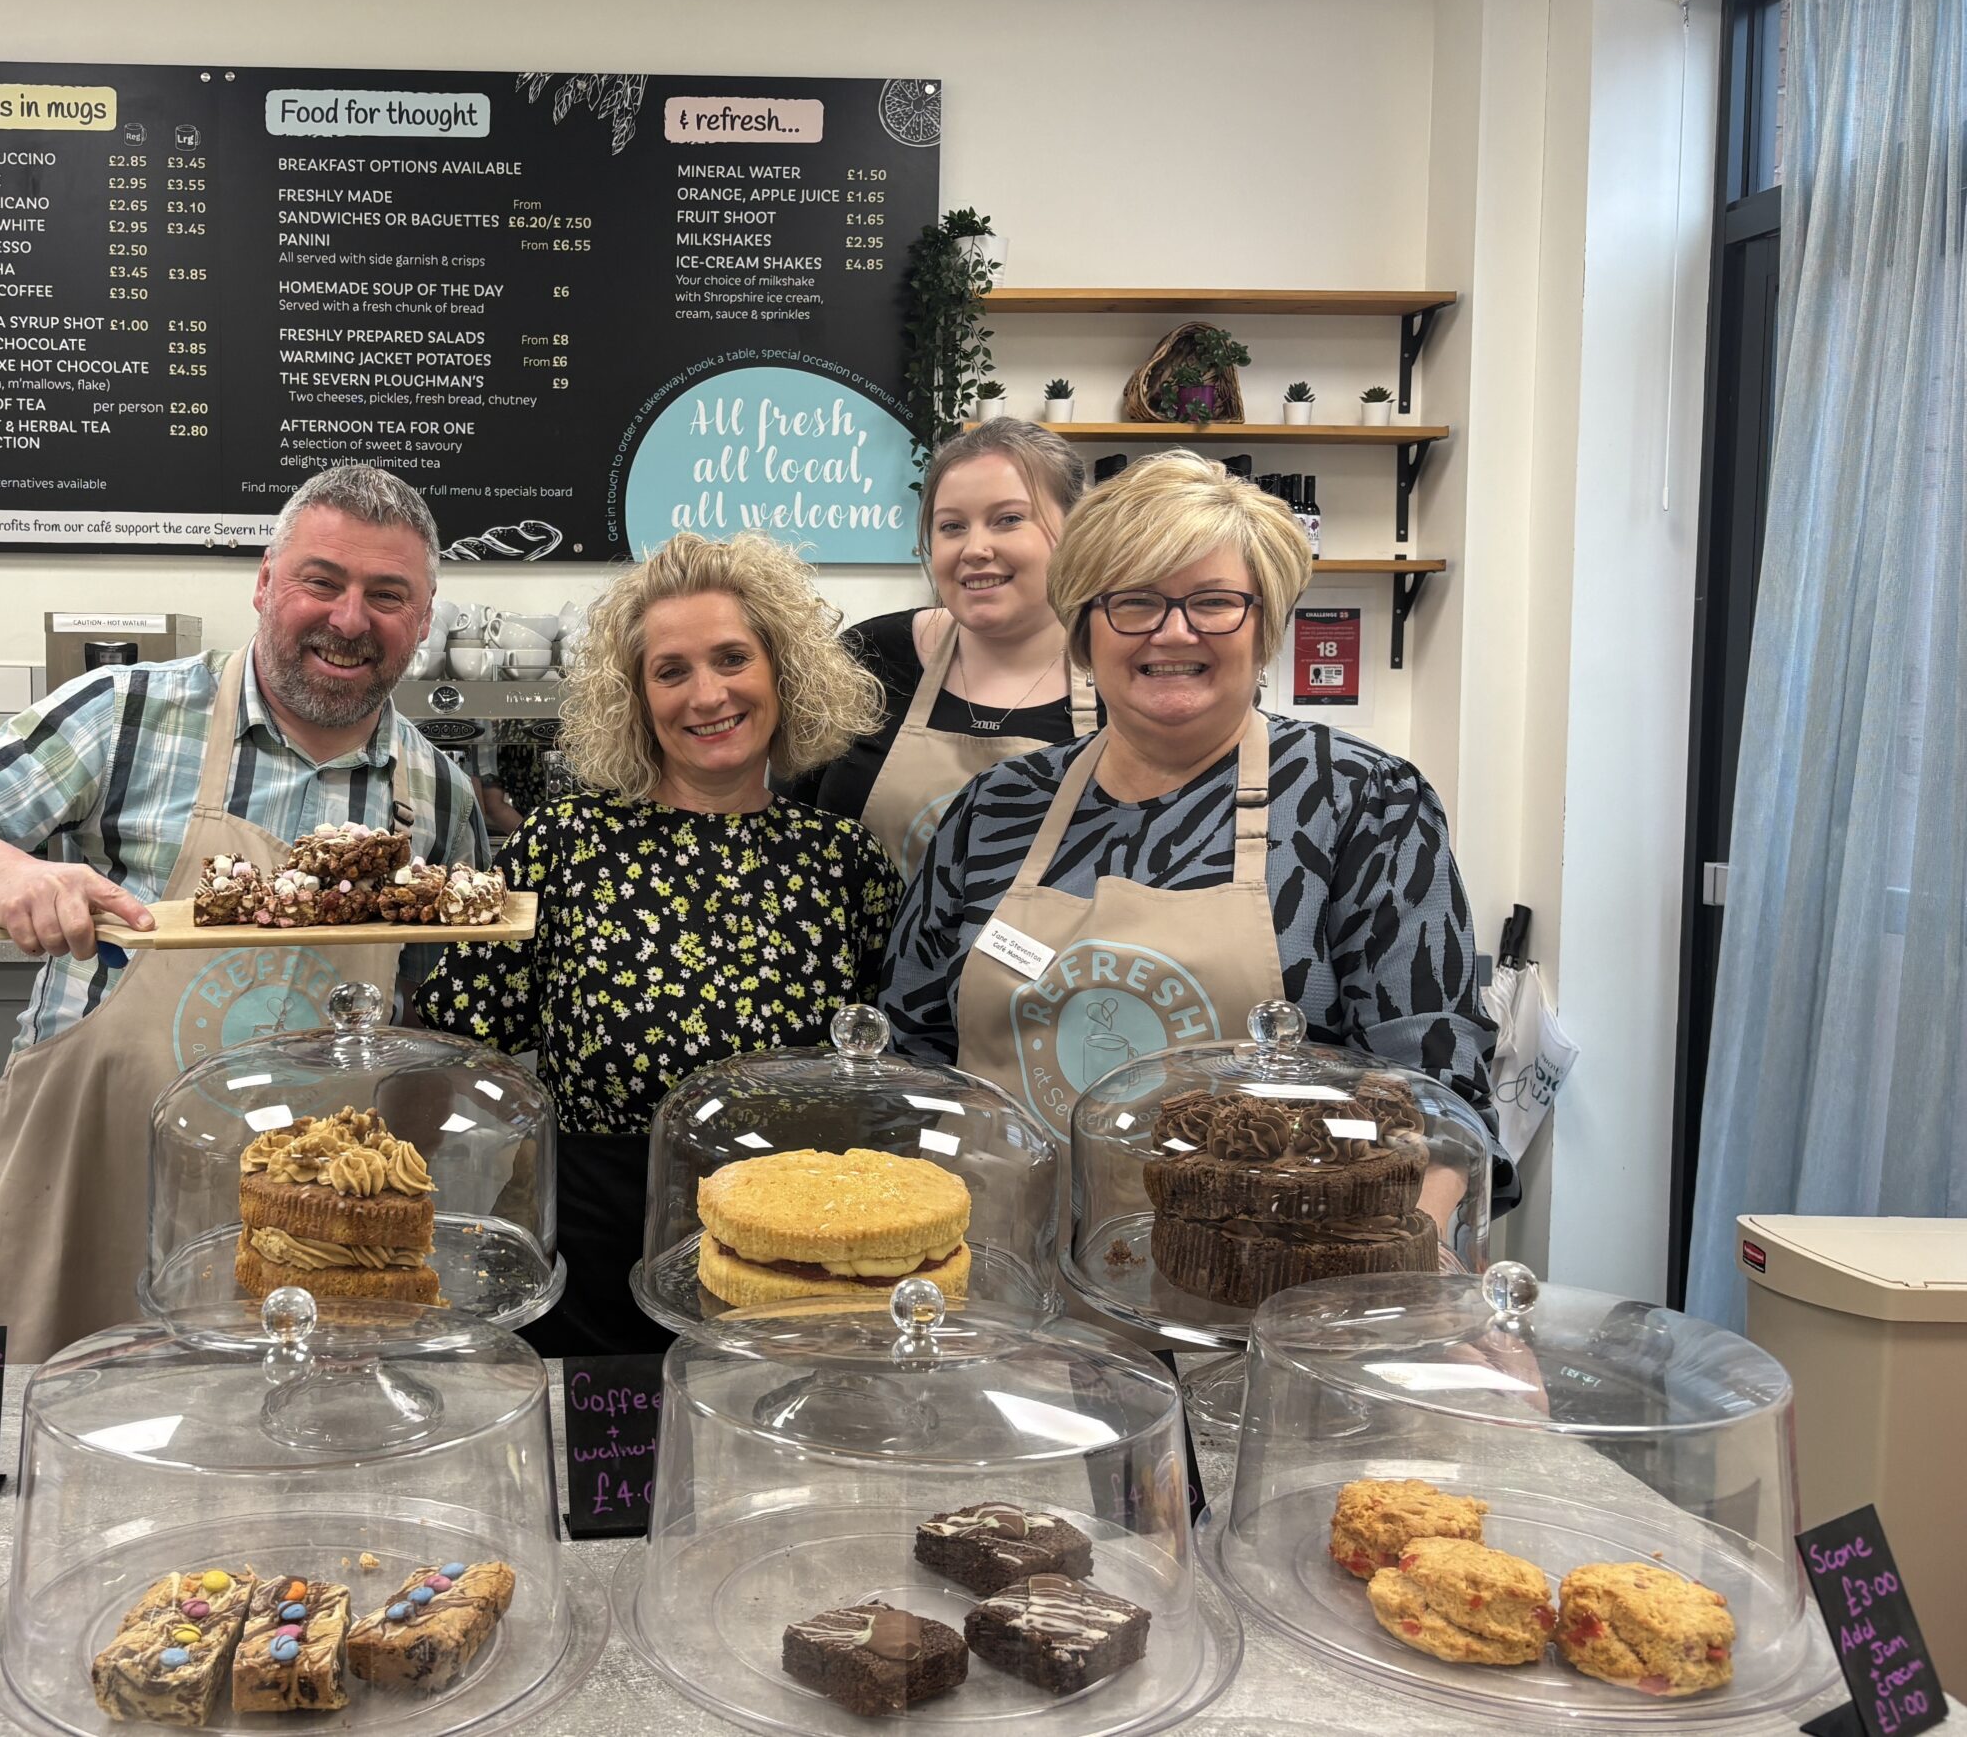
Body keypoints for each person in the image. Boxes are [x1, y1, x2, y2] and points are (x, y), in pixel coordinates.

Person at [0, 464, 487, 1360]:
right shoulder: (128, 716)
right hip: (83, 1199)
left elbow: (420, 1022)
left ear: (421, 623)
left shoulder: (438, 795)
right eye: (322, 581)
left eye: (388, 596)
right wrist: (6, 875)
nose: (350, 620)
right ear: (266, 584)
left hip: (314, 1239)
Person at [880, 449, 1511, 1217]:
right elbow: (912, 1056)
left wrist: (1405, 1274)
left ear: (1264, 626)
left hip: (1266, 1299)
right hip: (1012, 1294)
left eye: (1214, 602)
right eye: (1136, 602)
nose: (1174, 634)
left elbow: (1436, 1097)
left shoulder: (1362, 803)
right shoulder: (995, 809)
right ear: (1084, 628)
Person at [415, 531, 904, 1354]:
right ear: (636, 700)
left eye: (731, 659)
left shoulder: (842, 863)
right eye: (670, 671)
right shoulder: (563, 844)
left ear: (783, 672)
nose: (706, 694)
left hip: (793, 1267)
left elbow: (883, 1080)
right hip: (594, 1260)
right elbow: (452, 1045)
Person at [781, 418, 1096, 880]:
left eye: (1008, 519)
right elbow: (790, 820)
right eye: (951, 526)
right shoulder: (869, 658)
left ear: (1077, 528)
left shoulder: (1122, 682)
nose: (974, 548)